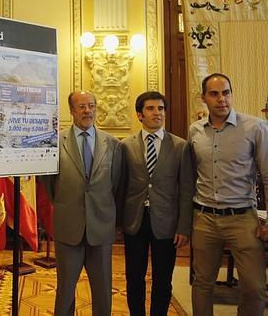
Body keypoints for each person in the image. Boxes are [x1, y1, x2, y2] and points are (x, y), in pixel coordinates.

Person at [189, 73, 268, 316]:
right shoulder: (195, 131)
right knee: (202, 284)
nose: (221, 99)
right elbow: (191, 175)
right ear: (204, 98)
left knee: (255, 288)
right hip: (204, 218)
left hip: (242, 218)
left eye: (226, 93)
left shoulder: (255, 127)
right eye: (214, 94)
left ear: (232, 94)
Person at [42, 91, 122, 316]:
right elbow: (49, 185)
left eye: (91, 106)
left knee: (103, 291)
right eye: (81, 107)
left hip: (101, 228)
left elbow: (116, 184)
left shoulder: (113, 144)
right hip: (68, 228)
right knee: (65, 290)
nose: (88, 111)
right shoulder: (56, 143)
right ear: (71, 111)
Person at [120, 91, 194, 316]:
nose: (157, 113)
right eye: (151, 109)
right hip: (134, 222)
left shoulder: (181, 146)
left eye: (161, 109)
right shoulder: (125, 146)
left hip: (167, 225)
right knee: (134, 277)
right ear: (139, 115)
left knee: (163, 279)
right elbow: (121, 186)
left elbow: (187, 189)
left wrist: (183, 227)